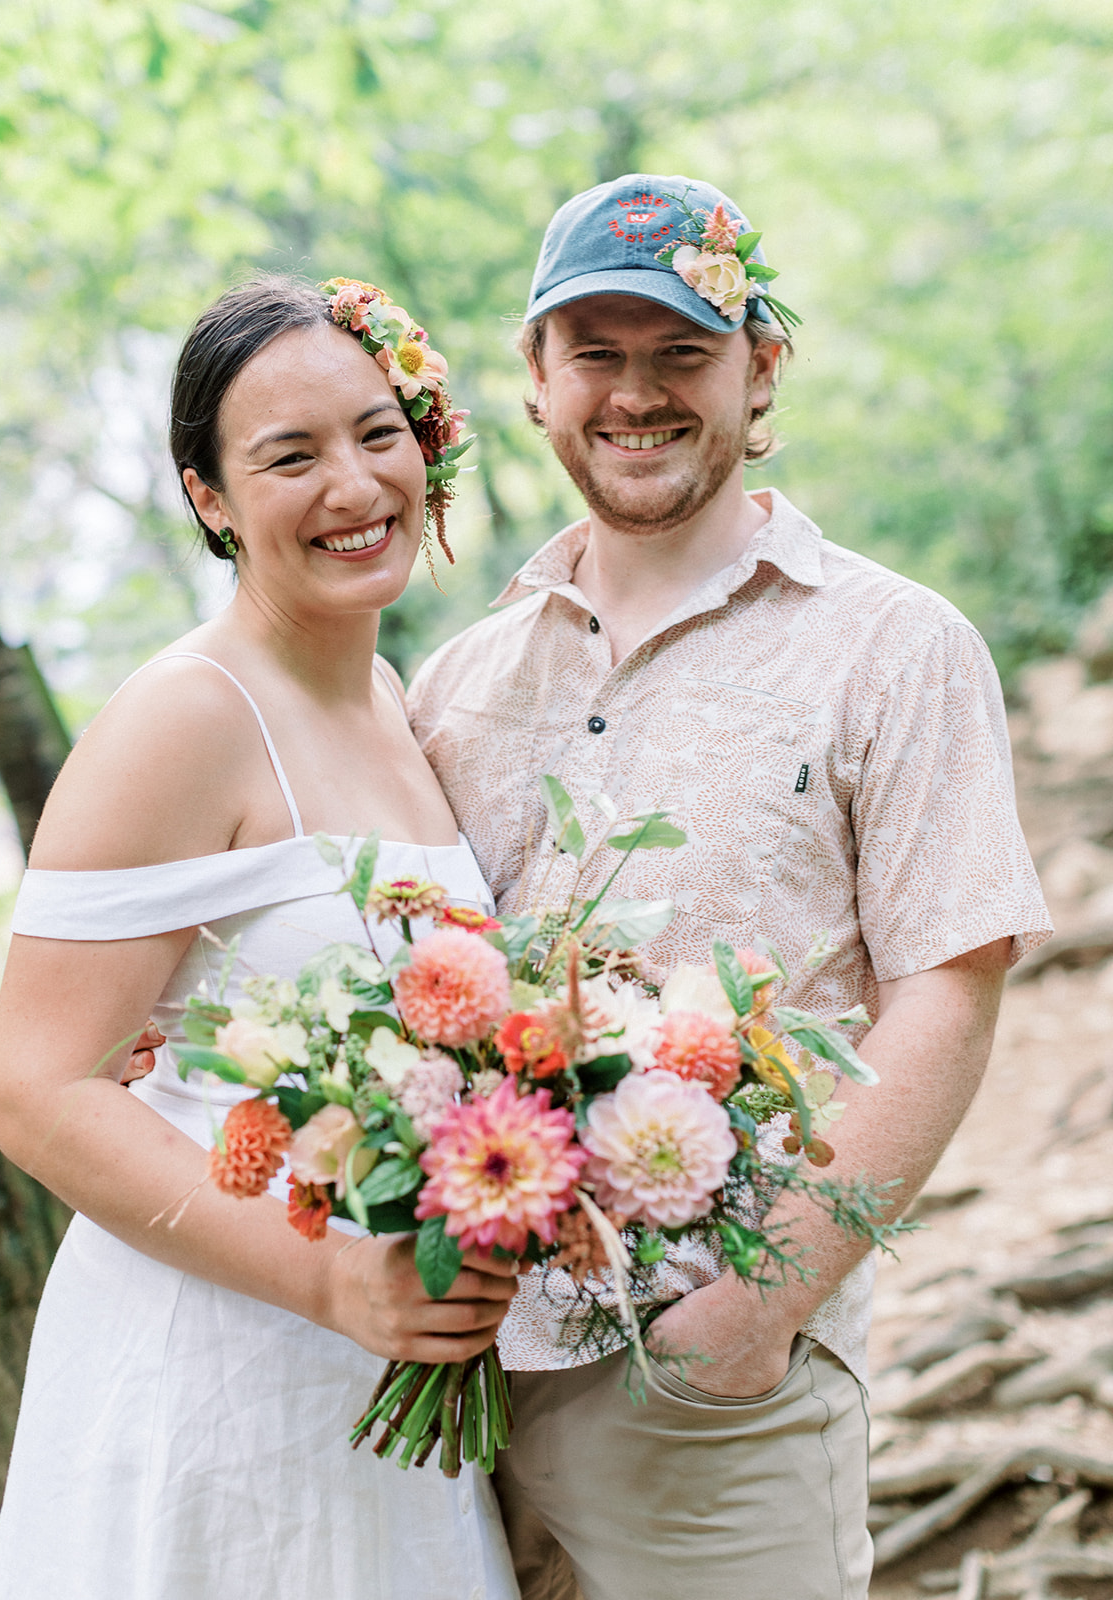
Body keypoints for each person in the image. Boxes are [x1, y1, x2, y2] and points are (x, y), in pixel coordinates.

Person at [405, 174, 1053, 1600]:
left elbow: (952, 985)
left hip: (713, 1388)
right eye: (598, 354)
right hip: (455, 1385)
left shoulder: (894, 646)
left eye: (683, 352)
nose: (637, 394)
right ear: (536, 381)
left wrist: (761, 1307)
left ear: (763, 368)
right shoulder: (457, 681)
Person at [0, 275, 520, 1600]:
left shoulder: (394, 700)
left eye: (377, 432)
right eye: (291, 456)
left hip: (393, 1388)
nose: (353, 485)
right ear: (209, 497)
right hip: (213, 1381)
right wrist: (331, 1282)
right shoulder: (183, 716)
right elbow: (36, 1093)